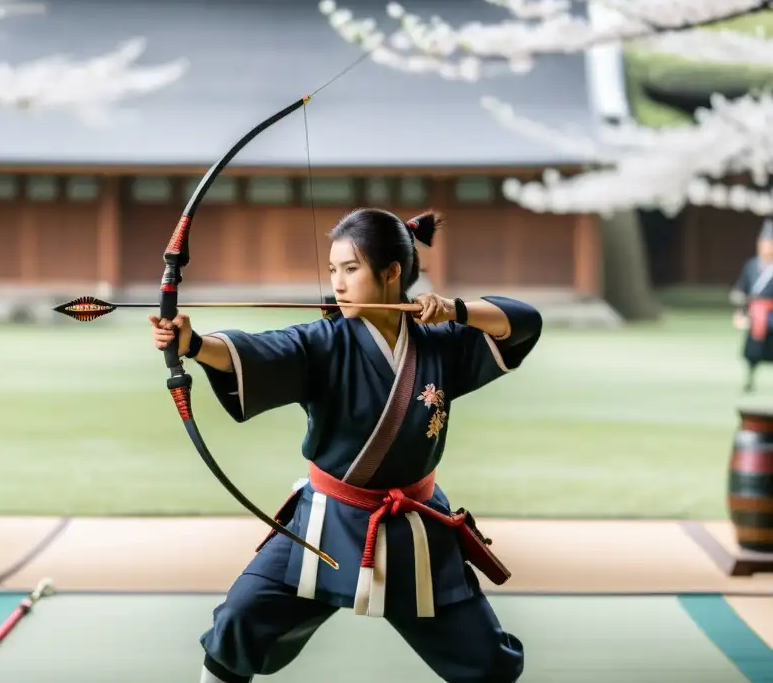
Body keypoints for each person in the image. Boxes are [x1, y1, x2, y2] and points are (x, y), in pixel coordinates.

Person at [151, 208, 543, 683]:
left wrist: (456, 310)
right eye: (334, 270)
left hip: (414, 529)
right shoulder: (323, 341)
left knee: (487, 661)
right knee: (239, 620)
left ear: (392, 272)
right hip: (326, 524)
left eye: (351, 269)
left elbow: (524, 322)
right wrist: (192, 344)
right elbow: (265, 351)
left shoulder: (441, 343)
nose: (337, 283)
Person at [729, 215, 773, 394]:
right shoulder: (751, 266)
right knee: (753, 351)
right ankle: (749, 380)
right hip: (755, 314)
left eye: (771, 244)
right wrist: (741, 311)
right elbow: (743, 291)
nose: (768, 248)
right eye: (764, 244)